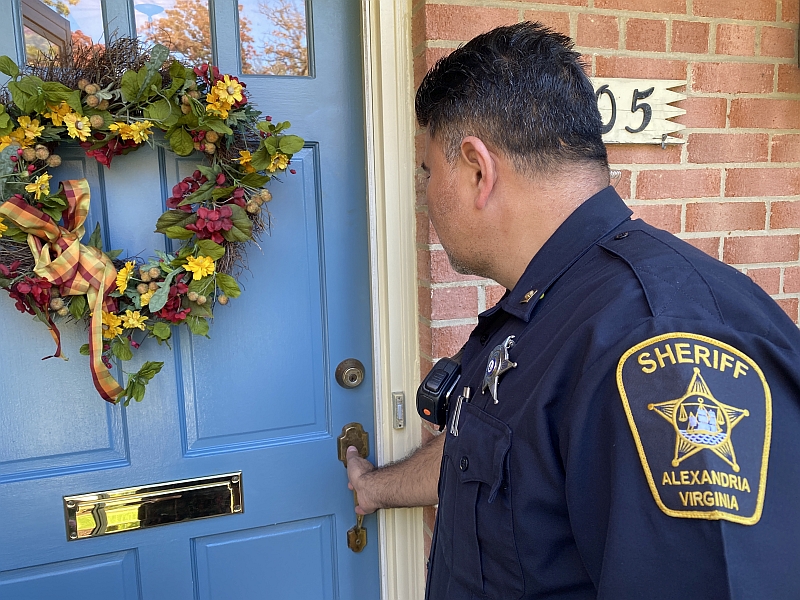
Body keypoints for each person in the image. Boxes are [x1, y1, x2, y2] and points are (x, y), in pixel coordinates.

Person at [347, 21, 800, 599]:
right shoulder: (547, 304)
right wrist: (378, 487)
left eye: (429, 172)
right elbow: (495, 460)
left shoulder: (658, 341)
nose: (426, 194)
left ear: (478, 170)